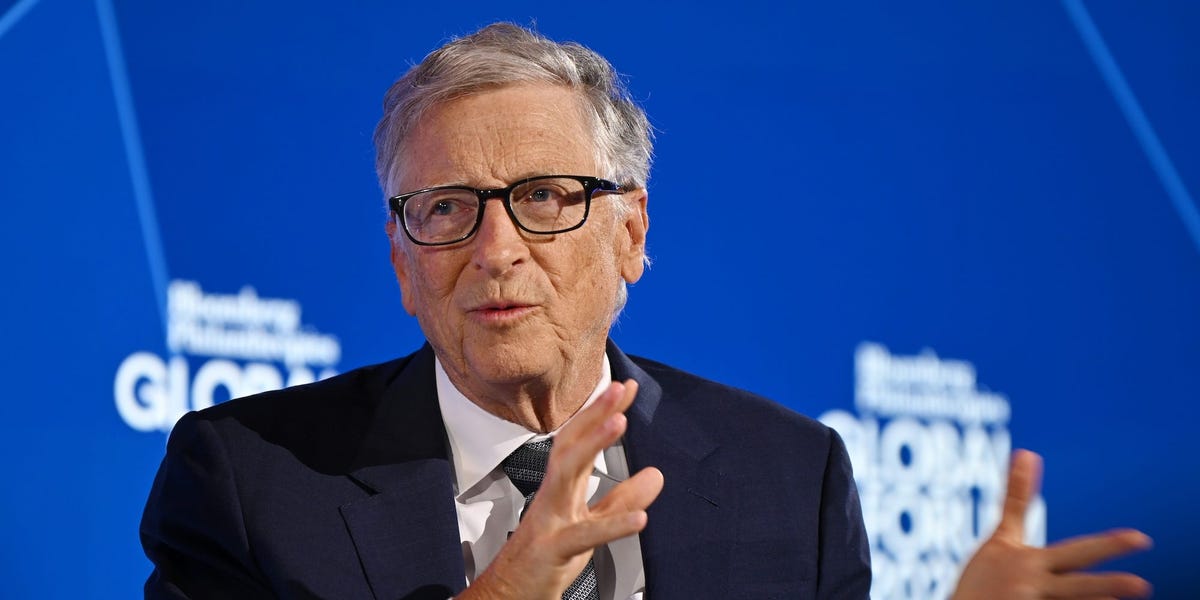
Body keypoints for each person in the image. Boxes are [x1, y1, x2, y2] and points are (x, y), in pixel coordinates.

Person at [140, 23, 1151, 599]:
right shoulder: (250, 482)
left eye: (545, 198)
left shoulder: (788, 479)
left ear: (630, 233)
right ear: (403, 263)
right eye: (445, 209)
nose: (496, 249)